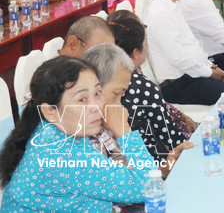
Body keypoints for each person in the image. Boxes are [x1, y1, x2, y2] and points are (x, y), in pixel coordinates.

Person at [0, 56, 153, 212]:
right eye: (82, 100)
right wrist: (124, 131)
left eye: (98, 92)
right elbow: (149, 187)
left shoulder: (55, 131)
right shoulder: (60, 154)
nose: (97, 106)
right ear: (50, 111)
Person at [87, 38, 193, 174]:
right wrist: (124, 133)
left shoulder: (105, 125)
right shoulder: (84, 134)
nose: (120, 106)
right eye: (115, 94)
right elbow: (131, 186)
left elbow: (138, 175)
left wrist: (164, 170)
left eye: (123, 95)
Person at [145, 0, 224, 106]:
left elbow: (190, 47)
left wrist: (207, 67)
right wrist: (209, 72)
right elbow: (179, 58)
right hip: (178, 86)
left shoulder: (172, 6)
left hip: (191, 76)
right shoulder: (160, 13)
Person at [108, 13, 198, 138]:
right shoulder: (141, 85)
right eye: (145, 43)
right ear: (135, 53)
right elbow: (170, 138)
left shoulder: (107, 75)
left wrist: (180, 116)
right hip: (154, 152)